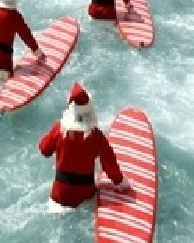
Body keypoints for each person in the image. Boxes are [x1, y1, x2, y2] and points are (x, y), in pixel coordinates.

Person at [38, 82, 131, 210]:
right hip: (85, 197)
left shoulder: (59, 129)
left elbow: (44, 150)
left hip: (59, 197)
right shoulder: (96, 136)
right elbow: (109, 163)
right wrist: (120, 182)